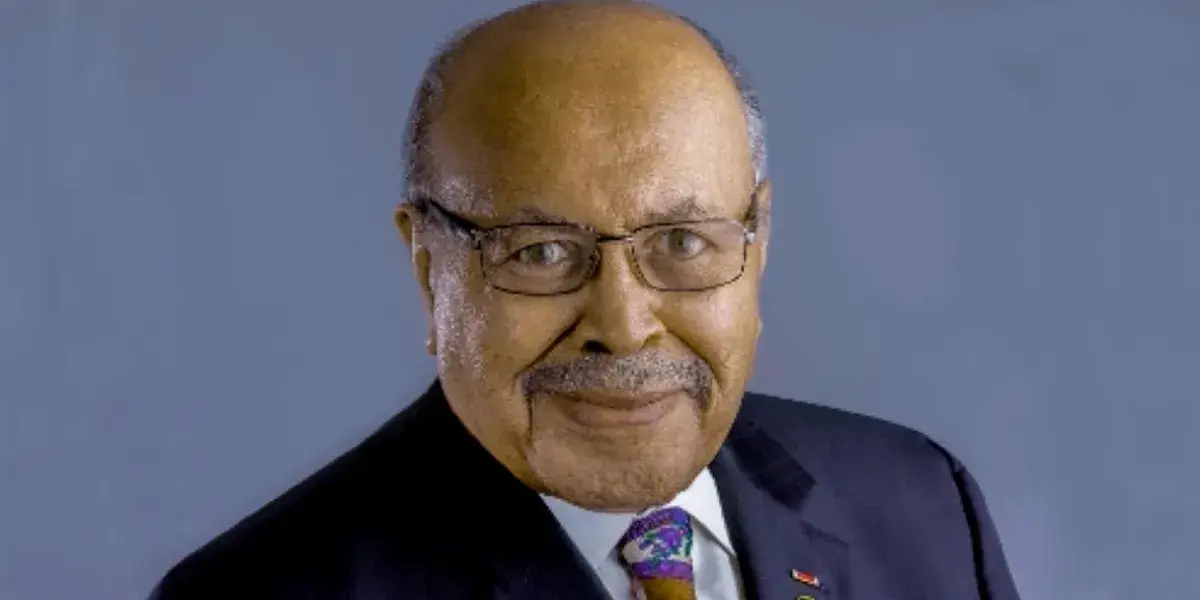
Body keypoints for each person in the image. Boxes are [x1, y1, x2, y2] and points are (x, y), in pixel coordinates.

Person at [148, 1, 1021, 599]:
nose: (624, 324)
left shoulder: (921, 504)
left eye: (681, 243)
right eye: (542, 252)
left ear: (757, 242)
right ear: (428, 268)